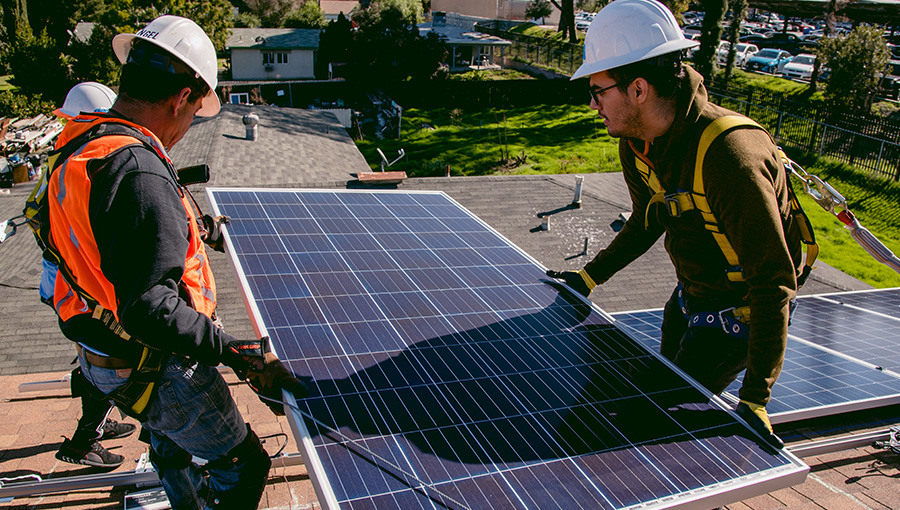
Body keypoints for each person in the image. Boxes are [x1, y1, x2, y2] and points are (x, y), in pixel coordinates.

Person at [46, 15, 306, 508]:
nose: (189, 126)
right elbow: (149, 307)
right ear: (182, 96)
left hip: (102, 351)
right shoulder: (139, 169)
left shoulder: (86, 143)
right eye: (195, 111)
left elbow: (108, 233)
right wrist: (238, 353)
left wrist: (194, 227)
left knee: (169, 440)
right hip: (154, 363)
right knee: (244, 465)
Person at [547, 0, 806, 450]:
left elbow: (774, 280)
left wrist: (755, 399)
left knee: (658, 419)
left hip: (738, 316)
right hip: (688, 297)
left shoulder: (730, 156)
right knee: (656, 382)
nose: (592, 105)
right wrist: (589, 277)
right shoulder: (639, 142)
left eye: (598, 90)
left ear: (639, 89)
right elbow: (649, 220)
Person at [46, 82, 137, 469]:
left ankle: (98, 419)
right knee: (110, 358)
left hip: (63, 288)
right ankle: (84, 441)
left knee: (92, 358)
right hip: (79, 293)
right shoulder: (85, 165)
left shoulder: (64, 158)